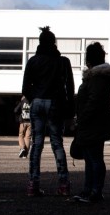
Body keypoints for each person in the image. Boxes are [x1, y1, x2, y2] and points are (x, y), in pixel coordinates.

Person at [22, 26, 75, 197]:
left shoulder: (33, 61)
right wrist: (69, 111)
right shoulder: (63, 62)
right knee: (57, 143)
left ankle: (33, 184)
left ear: (39, 42)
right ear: (54, 43)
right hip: (55, 103)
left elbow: (25, 88)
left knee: (37, 144)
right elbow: (70, 87)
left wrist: (34, 98)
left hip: (37, 101)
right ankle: (63, 184)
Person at [71, 43, 110, 203]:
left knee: (93, 158)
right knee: (92, 157)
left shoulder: (96, 78)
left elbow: (93, 101)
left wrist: (82, 118)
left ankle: (94, 191)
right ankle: (91, 190)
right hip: (97, 122)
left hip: (92, 123)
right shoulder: (102, 77)